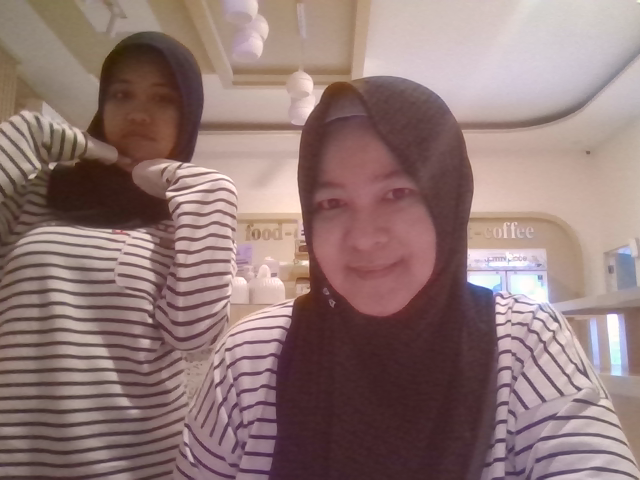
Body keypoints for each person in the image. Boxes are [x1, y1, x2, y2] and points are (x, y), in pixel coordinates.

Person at [174, 77, 639, 480]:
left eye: (397, 193)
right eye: (332, 203)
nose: (364, 238)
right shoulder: (252, 355)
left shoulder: (524, 342)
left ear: (446, 199)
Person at [0, 32, 236, 478]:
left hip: (137, 465)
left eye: (164, 99)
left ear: (187, 116)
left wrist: (212, 200)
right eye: (121, 94)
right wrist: (23, 137)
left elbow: (195, 338)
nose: (138, 113)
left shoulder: (185, 219)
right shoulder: (37, 192)